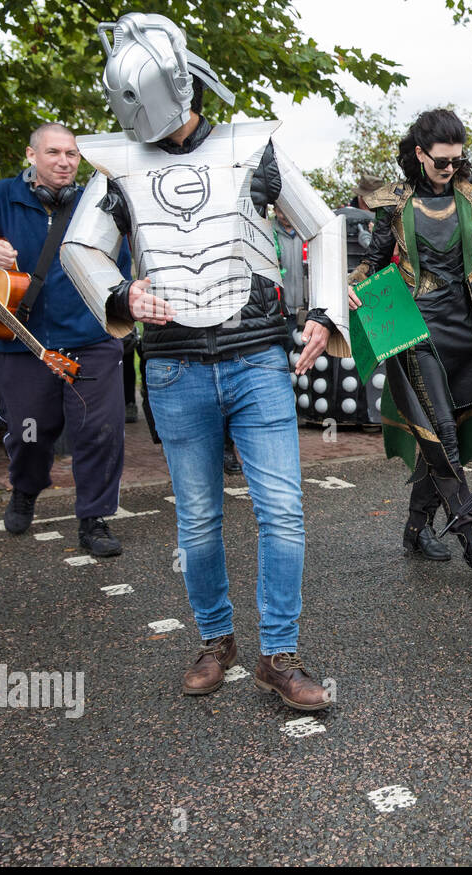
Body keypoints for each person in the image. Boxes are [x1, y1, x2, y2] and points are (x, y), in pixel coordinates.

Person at [61, 12, 350, 711]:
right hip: (172, 366)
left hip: (255, 360)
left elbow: (324, 223)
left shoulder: (254, 148)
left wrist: (324, 313)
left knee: (282, 509)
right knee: (195, 517)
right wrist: (121, 292)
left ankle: (278, 654)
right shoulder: (120, 165)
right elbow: (79, 247)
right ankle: (216, 639)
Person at [348, 109, 472, 570]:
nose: (450, 168)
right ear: (419, 154)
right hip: (417, 329)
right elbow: (372, 259)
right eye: (441, 161)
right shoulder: (392, 201)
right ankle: (471, 536)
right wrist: (350, 282)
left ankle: (415, 528)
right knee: (442, 430)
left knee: (451, 429)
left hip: (469, 330)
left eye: (456, 160)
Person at [0, 124, 131, 554]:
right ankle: (25, 489)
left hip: (90, 339)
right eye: (54, 153)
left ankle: (94, 520)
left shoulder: (97, 203)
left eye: (72, 154)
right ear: (31, 155)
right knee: (28, 433)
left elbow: (120, 261)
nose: (64, 162)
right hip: (21, 341)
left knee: (99, 432)